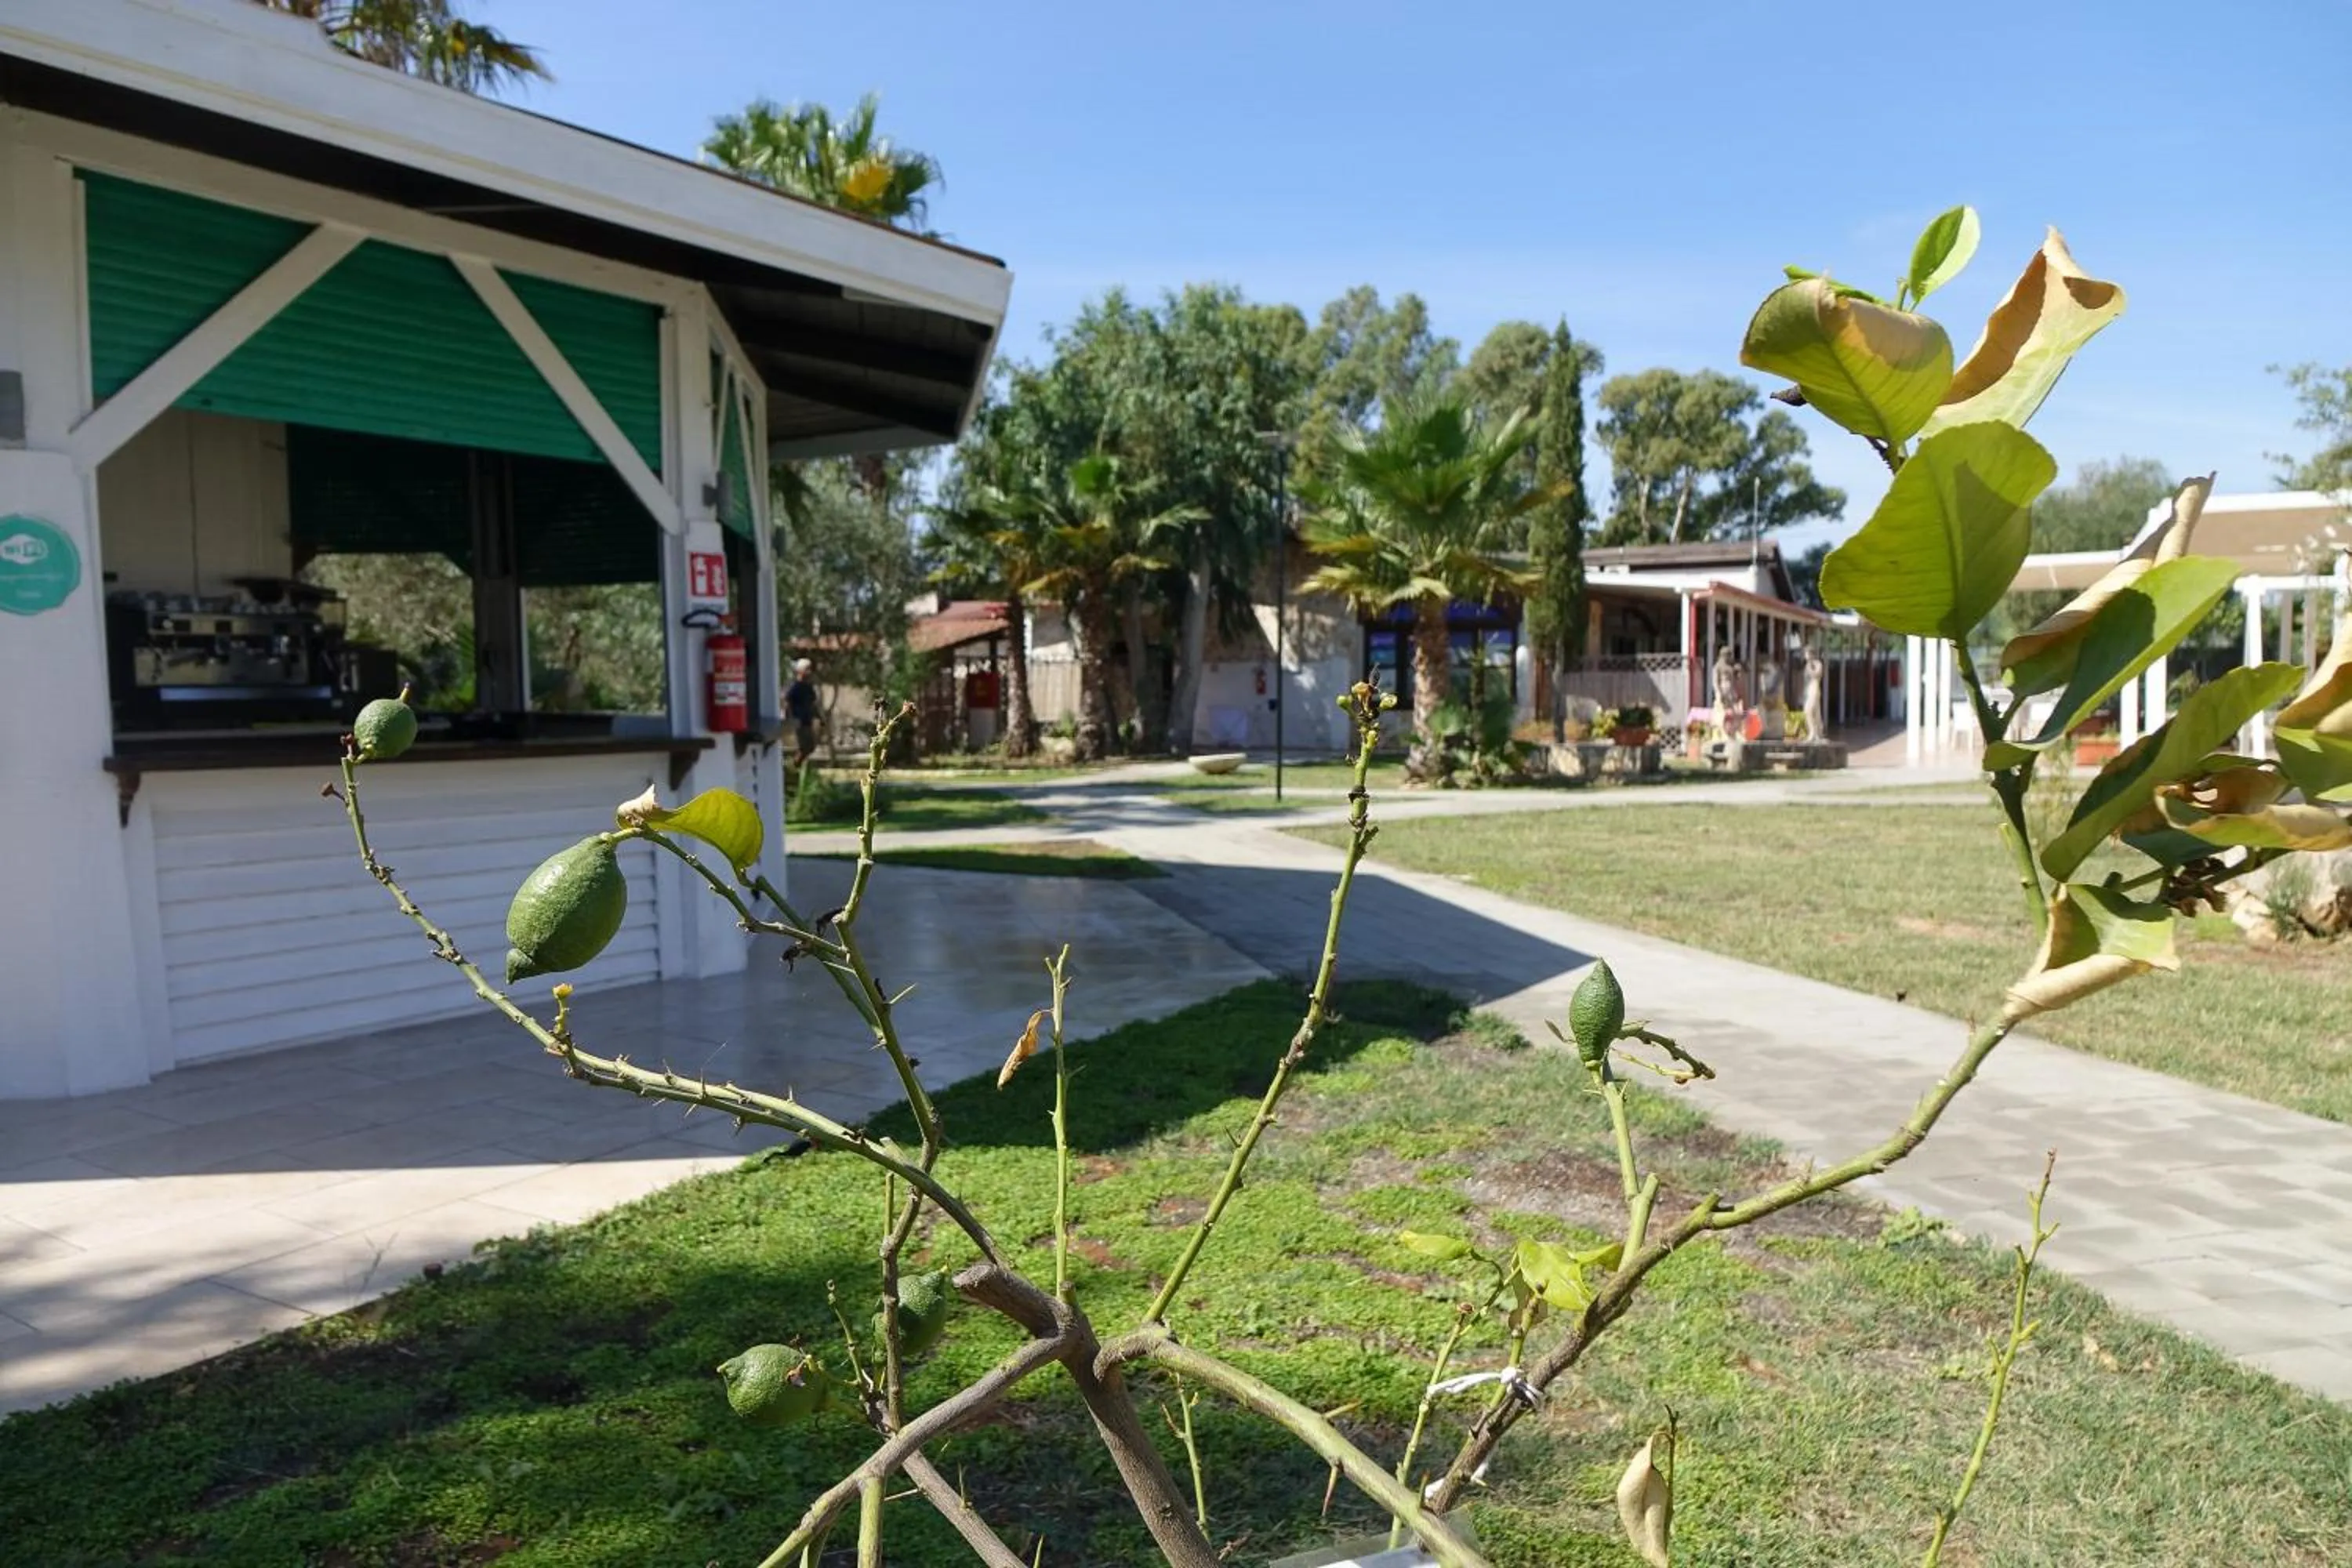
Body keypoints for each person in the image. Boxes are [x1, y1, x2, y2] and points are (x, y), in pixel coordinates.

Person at [786, 658, 819, 769]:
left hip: (807, 720)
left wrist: (818, 717)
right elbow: (788, 702)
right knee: (805, 746)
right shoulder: (795, 687)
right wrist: (790, 718)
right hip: (799, 720)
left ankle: (798, 765)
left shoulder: (808, 687)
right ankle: (795, 766)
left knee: (811, 746)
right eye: (807, 670)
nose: (809, 673)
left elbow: (813, 703)